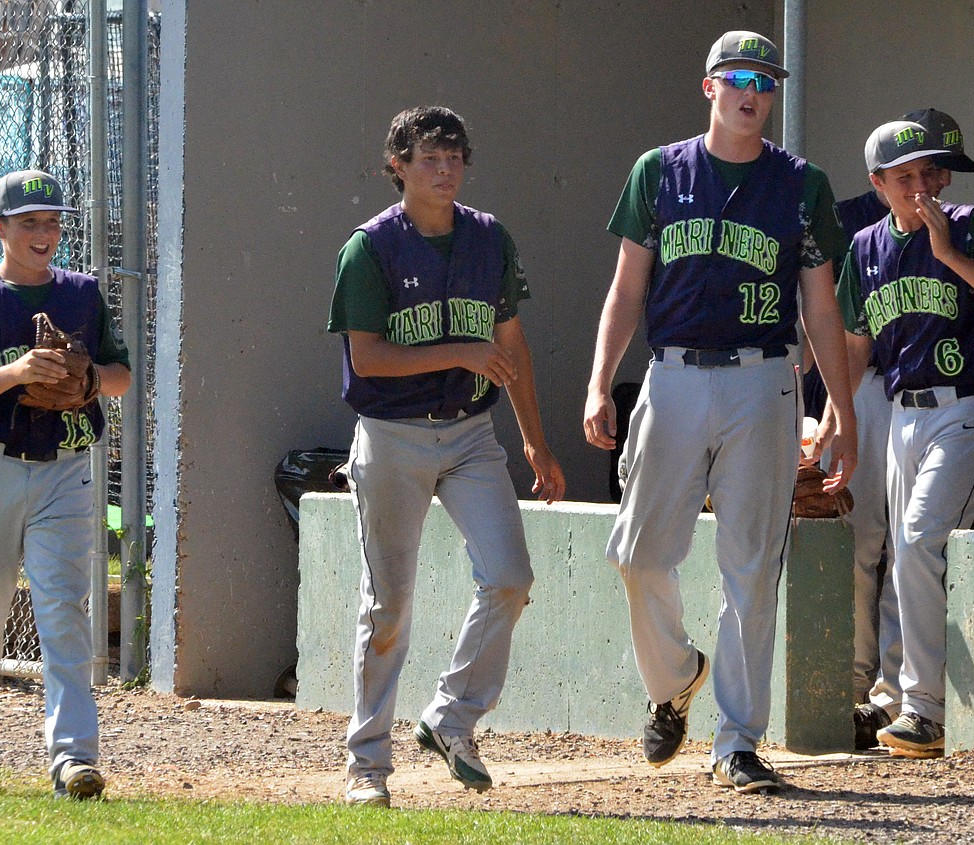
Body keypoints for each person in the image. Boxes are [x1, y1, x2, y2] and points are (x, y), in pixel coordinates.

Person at [582, 31, 857, 793]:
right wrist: (601, 380)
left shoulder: (801, 184)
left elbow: (821, 304)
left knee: (751, 569)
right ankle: (675, 678)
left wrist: (840, 403)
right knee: (637, 552)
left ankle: (738, 741)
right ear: (709, 86)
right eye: (738, 76)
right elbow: (626, 288)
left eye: (766, 81)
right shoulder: (659, 173)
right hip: (671, 375)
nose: (752, 91)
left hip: (763, 379)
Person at [328, 106, 566, 808]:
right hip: (391, 433)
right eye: (428, 157)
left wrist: (535, 439)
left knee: (510, 576)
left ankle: (451, 716)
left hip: (469, 433)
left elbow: (510, 345)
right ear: (396, 164)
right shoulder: (369, 248)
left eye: (454, 157)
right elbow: (366, 356)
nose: (444, 169)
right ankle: (367, 765)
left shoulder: (488, 238)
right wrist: (459, 350)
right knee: (389, 607)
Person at [0, 170, 131, 799]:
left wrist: (88, 381)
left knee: (63, 609)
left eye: (52, 221)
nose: (44, 233)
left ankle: (72, 759)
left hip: (65, 470)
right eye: (30, 222)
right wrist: (14, 374)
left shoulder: (83, 296)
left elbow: (120, 375)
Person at [833, 120, 974, 758]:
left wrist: (951, 256)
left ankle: (926, 708)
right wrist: (835, 415)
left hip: (966, 406)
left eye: (929, 173)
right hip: (900, 411)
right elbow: (854, 345)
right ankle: (894, 701)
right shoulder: (866, 247)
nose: (921, 187)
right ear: (879, 185)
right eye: (904, 178)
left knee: (920, 541)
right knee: (899, 552)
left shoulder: (970, 224)